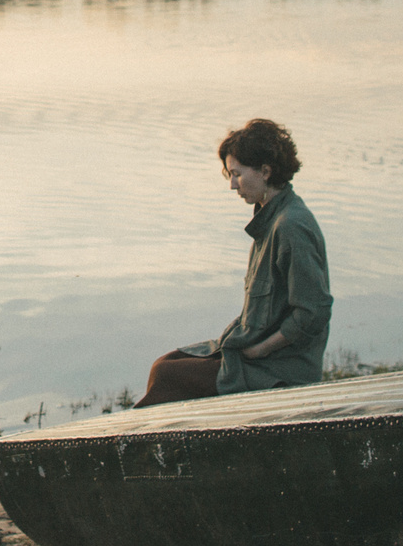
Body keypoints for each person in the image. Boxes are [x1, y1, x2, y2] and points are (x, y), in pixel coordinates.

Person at [136, 118, 335, 407]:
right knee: (164, 364)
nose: (232, 185)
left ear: (265, 171)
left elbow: (314, 312)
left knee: (169, 376)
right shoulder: (271, 218)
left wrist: (260, 351)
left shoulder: (291, 226)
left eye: (237, 174)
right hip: (254, 352)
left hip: (280, 368)